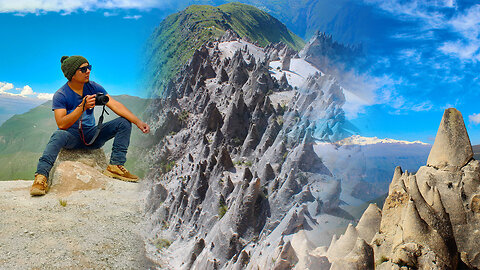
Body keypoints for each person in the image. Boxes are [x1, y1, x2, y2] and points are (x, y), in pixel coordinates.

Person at [30, 55, 150, 196]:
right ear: (72, 74)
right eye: (83, 69)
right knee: (58, 135)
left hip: (92, 134)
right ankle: (41, 176)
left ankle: (115, 166)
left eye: (89, 67)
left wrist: (138, 122)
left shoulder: (93, 87)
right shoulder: (61, 95)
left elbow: (115, 104)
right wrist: (82, 107)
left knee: (123, 122)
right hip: (71, 136)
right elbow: (62, 124)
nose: (88, 71)